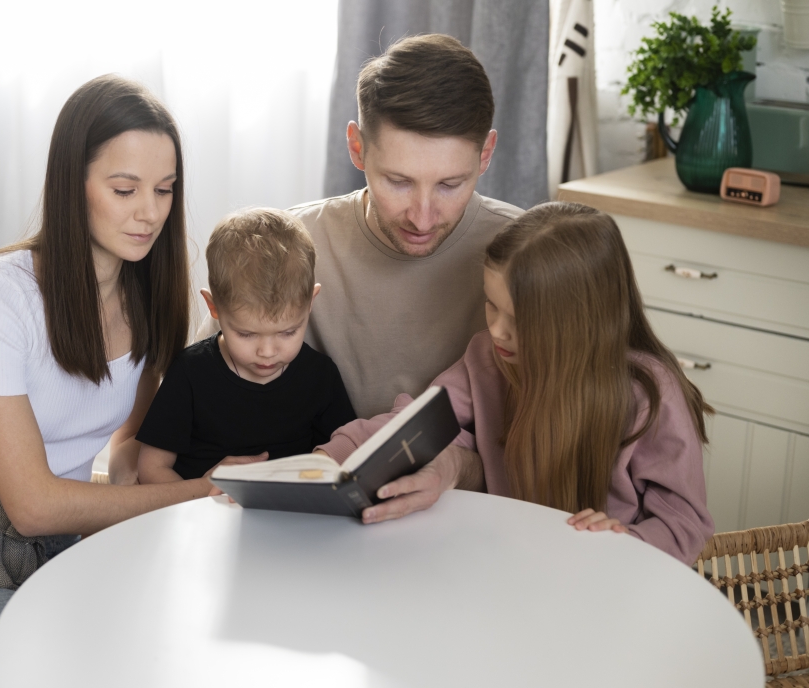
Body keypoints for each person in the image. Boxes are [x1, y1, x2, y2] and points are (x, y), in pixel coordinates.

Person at [0, 76, 250, 688]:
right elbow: (32, 504)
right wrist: (196, 494)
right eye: (125, 189)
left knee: (189, 641)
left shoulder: (148, 294)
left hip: (64, 547)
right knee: (72, 666)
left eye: (165, 190)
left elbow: (132, 449)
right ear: (71, 185)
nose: (150, 211)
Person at [198, 34, 522, 523]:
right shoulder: (291, 245)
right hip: (306, 519)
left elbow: (556, 446)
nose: (423, 215)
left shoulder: (524, 256)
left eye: (451, 185)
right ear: (356, 147)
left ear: (486, 154)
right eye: (398, 181)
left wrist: (458, 465)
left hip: (471, 524)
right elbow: (203, 382)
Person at [317, 202, 715, 563]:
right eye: (491, 304)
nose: (497, 330)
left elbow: (684, 524)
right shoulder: (487, 358)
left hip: (605, 588)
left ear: (583, 319)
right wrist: (329, 458)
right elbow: (420, 422)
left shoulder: (649, 394)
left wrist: (624, 541)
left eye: (521, 319)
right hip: (510, 566)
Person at [138, 208, 357, 483]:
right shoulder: (190, 373)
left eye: (288, 332)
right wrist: (200, 494)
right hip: (201, 514)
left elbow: (346, 458)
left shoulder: (320, 376)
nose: (267, 352)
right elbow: (151, 469)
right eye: (246, 334)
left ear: (311, 302)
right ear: (213, 306)